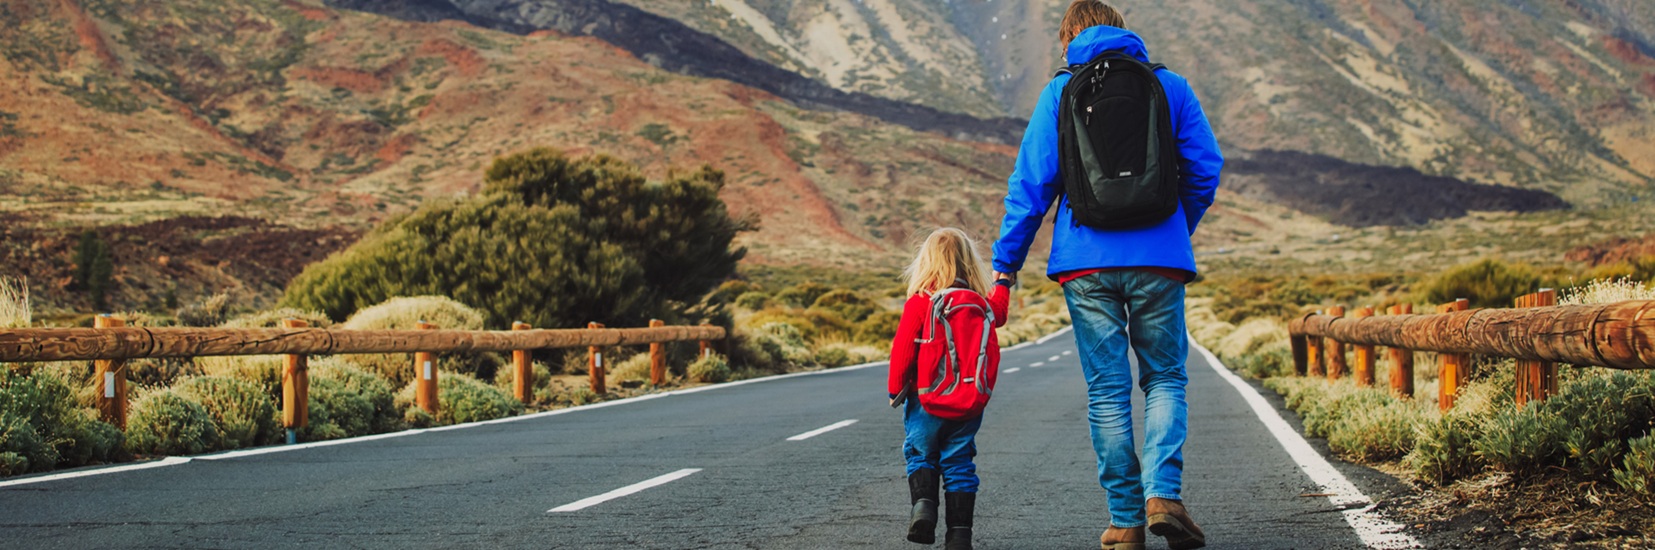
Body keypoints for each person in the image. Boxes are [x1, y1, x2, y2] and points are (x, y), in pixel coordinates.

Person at [990, 2, 1223, 550]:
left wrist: (1005, 267)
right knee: (1165, 377)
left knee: (1107, 390)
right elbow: (1205, 169)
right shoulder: (1170, 86)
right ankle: (1163, 495)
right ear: (1121, 29)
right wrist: (1172, 229)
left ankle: (1125, 522)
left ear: (1068, 38)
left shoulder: (1059, 92)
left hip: (1085, 263)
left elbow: (1031, 187)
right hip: (1159, 259)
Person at [888, 228, 1012, 550]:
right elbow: (999, 314)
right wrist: (1002, 284)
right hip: (968, 401)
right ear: (969, 262)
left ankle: (924, 509)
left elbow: (902, 348)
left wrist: (896, 389)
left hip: (925, 399)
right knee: (959, 463)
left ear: (926, 261)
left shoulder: (921, 301)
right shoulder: (980, 303)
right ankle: (959, 536)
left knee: (921, 454)